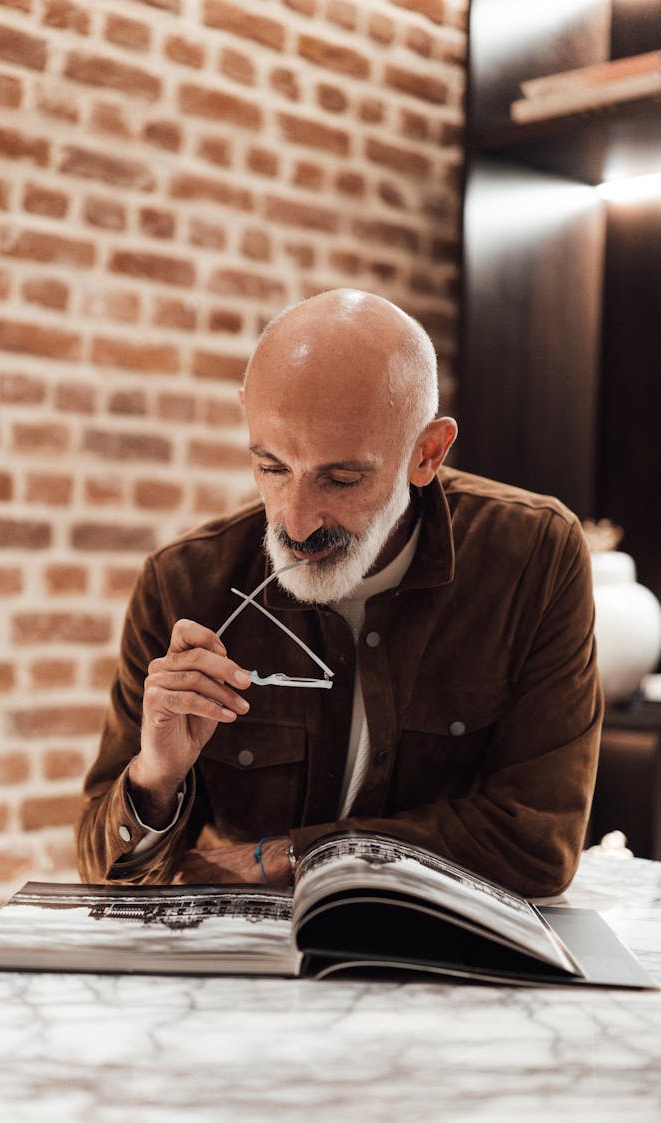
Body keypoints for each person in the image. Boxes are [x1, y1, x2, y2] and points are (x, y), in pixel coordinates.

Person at [76, 289, 602, 897]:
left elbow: (538, 846)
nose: (296, 525)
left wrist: (288, 858)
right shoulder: (182, 583)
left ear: (426, 453)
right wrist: (156, 777)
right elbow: (103, 871)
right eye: (273, 467)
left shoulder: (533, 556)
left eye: (342, 478)